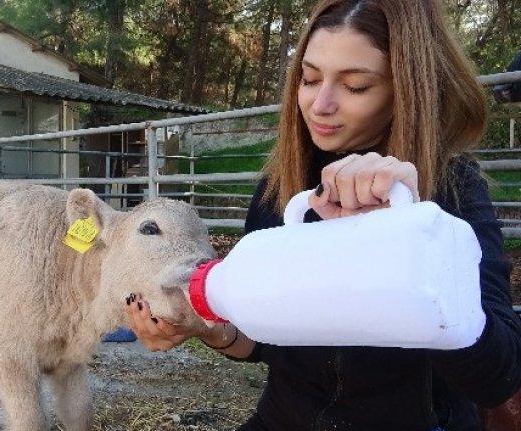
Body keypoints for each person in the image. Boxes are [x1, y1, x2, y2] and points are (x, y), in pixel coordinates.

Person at [125, 1, 521, 430]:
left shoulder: (449, 189)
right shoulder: (284, 186)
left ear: (406, 90)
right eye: (310, 79)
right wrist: (207, 329)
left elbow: (499, 377)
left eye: (355, 87)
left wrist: (411, 240)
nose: (320, 105)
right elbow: (268, 342)